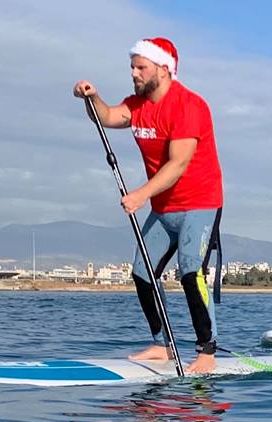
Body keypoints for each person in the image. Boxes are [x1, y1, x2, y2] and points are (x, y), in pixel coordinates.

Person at [73, 37, 223, 374]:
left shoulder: (189, 105)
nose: (134, 73)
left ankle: (207, 352)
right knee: (142, 274)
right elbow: (106, 116)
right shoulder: (137, 105)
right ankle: (162, 344)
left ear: (163, 70)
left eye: (141, 67)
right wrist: (91, 97)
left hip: (200, 204)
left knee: (190, 271)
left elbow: (178, 164)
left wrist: (141, 194)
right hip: (164, 208)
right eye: (132, 67)